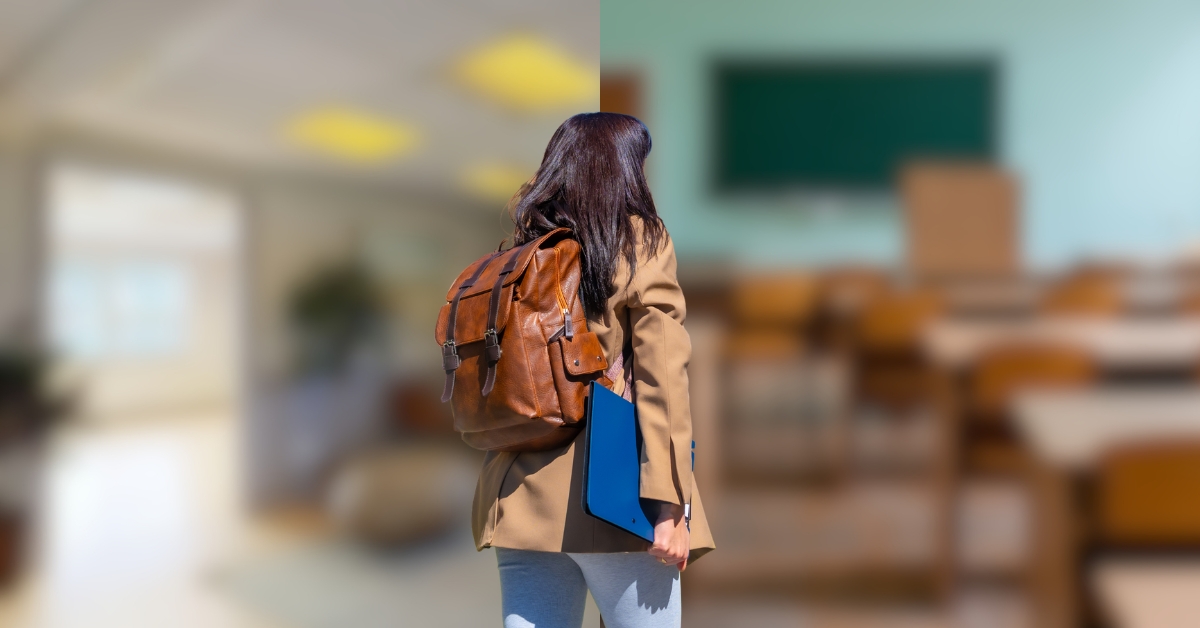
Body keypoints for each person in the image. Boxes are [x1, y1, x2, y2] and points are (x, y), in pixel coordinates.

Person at [472, 112, 714, 628]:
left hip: (519, 496)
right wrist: (670, 504)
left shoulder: (522, 249)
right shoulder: (640, 239)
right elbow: (662, 374)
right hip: (615, 495)